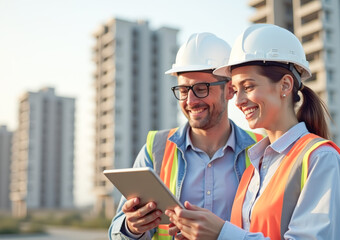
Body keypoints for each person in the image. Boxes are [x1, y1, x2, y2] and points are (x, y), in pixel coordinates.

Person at [165, 24, 340, 240]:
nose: (237, 100)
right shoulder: (253, 169)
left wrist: (221, 233)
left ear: (285, 85)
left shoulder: (321, 159)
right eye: (236, 90)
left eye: (248, 87)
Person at [108, 32, 263, 240]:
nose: (190, 101)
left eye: (201, 89)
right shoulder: (156, 149)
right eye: (183, 90)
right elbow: (117, 233)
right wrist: (132, 228)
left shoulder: (261, 150)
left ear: (229, 90)